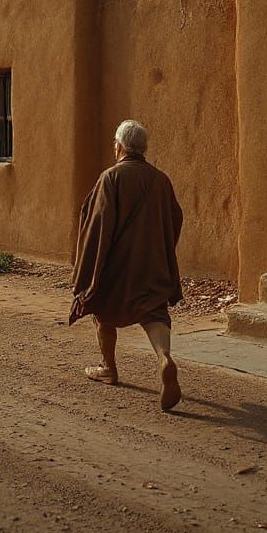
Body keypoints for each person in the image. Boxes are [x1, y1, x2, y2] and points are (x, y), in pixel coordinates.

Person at [70, 119, 184, 411]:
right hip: (152, 264)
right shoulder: (161, 180)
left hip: (117, 265)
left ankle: (109, 367)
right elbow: (175, 218)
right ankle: (164, 359)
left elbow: (97, 224)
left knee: (103, 310)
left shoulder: (111, 177)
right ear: (143, 148)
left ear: (119, 147)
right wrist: (160, 250)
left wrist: (86, 272)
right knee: (154, 313)